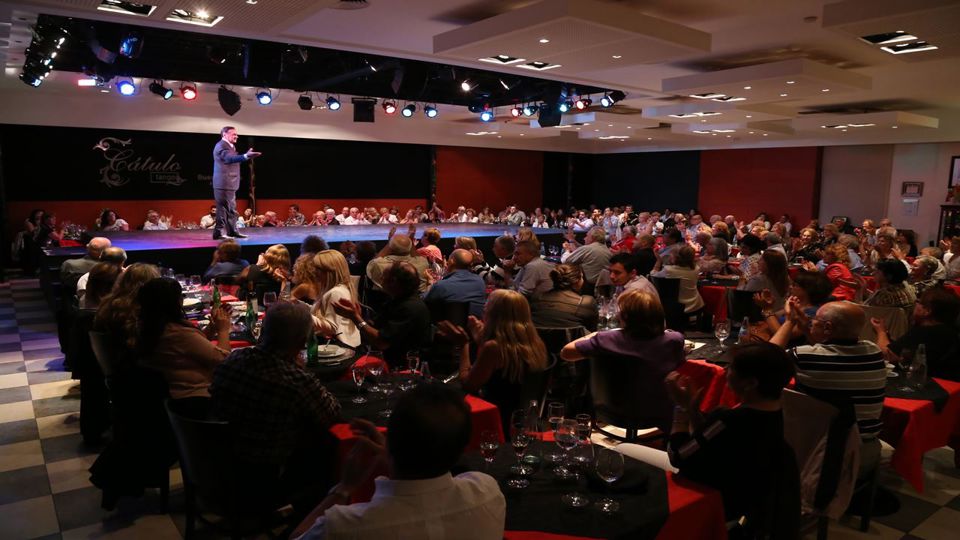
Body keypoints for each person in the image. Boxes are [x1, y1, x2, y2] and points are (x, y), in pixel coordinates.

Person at [292, 384, 506, 540]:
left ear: (391, 440)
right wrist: (394, 454)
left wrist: (344, 488)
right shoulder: (488, 493)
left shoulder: (341, 527)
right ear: (461, 450)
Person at [211, 302, 340, 512]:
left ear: (264, 330)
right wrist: (302, 370)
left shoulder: (232, 360)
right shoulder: (296, 380)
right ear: (302, 341)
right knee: (327, 448)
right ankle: (309, 521)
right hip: (267, 479)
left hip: (217, 465)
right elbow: (332, 414)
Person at [663, 343, 799, 536]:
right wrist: (693, 410)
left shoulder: (730, 420)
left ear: (750, 383)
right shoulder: (778, 417)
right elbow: (712, 439)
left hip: (709, 505)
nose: (726, 370)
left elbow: (677, 456)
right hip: (747, 508)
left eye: (732, 367)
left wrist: (681, 410)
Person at [770, 300, 886, 466]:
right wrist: (806, 328)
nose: (810, 322)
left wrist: (790, 321)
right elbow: (827, 350)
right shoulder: (874, 351)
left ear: (828, 327)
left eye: (814, 320)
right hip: (865, 450)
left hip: (821, 452)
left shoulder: (803, 356)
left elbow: (764, 358)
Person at [560, 290, 686, 431]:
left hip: (612, 413)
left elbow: (566, 353)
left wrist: (594, 334)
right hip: (660, 414)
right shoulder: (675, 340)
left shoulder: (606, 339)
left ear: (626, 316)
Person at [437, 289, 547, 433]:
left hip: (495, 417)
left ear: (494, 315)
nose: (484, 308)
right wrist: (482, 340)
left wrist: (464, 344)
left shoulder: (494, 347)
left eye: (486, 307)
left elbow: (468, 384)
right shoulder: (536, 343)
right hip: (524, 418)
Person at [137, 278, 230, 399]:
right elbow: (224, 362)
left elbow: (193, 345)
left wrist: (213, 327)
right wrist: (223, 330)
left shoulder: (149, 326)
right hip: (197, 397)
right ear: (175, 302)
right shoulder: (177, 333)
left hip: (170, 397)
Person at [335, 261, 433, 368]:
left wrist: (355, 318)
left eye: (383, 277)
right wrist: (359, 316)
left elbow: (381, 342)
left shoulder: (410, 308)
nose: (380, 280)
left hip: (404, 368)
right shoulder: (396, 301)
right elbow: (375, 326)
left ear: (393, 282)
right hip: (387, 361)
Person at [871, 286, 960, 380]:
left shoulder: (925, 332)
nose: (915, 304)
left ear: (927, 311)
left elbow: (886, 355)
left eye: (918, 302)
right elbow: (900, 350)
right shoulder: (950, 332)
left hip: (924, 383)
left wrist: (881, 331)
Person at [94, 263, 162, 353]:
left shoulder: (107, 304)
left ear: (124, 280)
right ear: (154, 284)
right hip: (138, 358)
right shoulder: (149, 311)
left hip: (111, 358)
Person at [212, 126, 260, 240]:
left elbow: (232, 159)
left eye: (236, 134)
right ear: (224, 134)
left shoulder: (229, 146)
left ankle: (231, 231)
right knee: (225, 209)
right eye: (234, 134)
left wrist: (245, 156)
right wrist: (245, 156)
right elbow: (229, 158)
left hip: (228, 183)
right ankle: (220, 232)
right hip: (224, 183)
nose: (236, 136)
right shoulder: (222, 146)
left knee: (229, 208)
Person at [310, 250, 361, 348]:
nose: (314, 271)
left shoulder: (336, 292)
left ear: (330, 271)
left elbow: (332, 328)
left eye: (318, 268)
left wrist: (304, 315)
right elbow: (323, 312)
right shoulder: (336, 290)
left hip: (339, 349)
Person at [529, 264, 597, 329]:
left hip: (538, 337)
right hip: (575, 337)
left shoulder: (537, 297)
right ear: (577, 281)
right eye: (582, 277)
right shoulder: (586, 302)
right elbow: (592, 329)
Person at [424, 249, 487, 318]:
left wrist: (430, 283)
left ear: (451, 261)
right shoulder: (480, 281)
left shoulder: (441, 286)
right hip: (475, 323)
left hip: (448, 324)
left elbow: (424, 302)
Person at [366, 232, 431, 293]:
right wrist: (410, 240)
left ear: (390, 248)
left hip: (386, 299)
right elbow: (417, 256)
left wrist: (389, 244)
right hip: (418, 299)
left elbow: (374, 261)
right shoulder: (422, 262)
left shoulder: (378, 264)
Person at [651, 245, 704, 315]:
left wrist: (658, 261)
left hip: (675, 308)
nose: (670, 257)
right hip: (696, 304)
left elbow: (653, 275)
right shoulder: (696, 269)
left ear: (677, 258)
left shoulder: (668, 270)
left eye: (671, 255)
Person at [562, 226, 611, 294]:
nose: (584, 238)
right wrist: (572, 240)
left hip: (587, 288)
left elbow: (566, 262)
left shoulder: (588, 249)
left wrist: (567, 250)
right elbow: (582, 248)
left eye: (587, 235)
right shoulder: (606, 249)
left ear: (592, 238)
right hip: (604, 289)